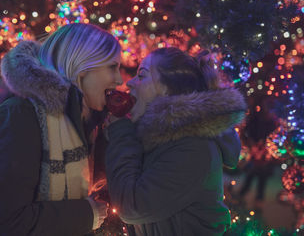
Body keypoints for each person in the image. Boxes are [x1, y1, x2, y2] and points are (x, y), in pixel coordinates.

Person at [0, 23, 123, 235]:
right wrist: (86, 214)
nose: (119, 80)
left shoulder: (88, 123)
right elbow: (7, 222)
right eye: (112, 67)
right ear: (82, 68)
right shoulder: (20, 115)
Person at [104, 47, 247, 235]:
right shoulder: (159, 139)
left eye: (142, 75)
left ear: (166, 90)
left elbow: (132, 207)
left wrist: (121, 131)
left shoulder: (192, 148)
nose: (129, 82)